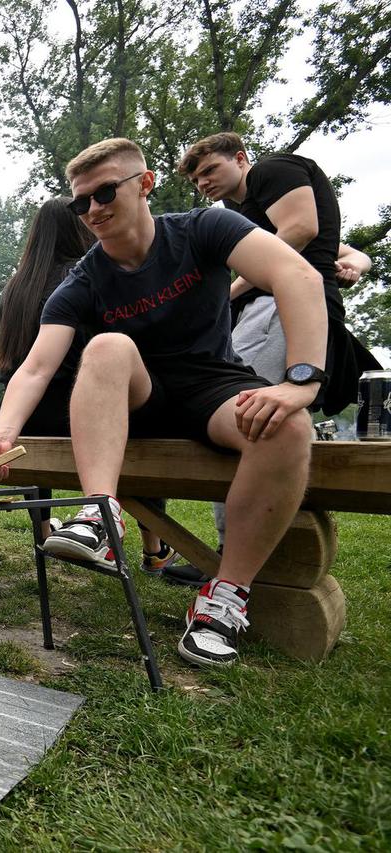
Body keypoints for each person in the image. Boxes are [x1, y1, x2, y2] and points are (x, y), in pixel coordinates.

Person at [0, 137, 327, 668]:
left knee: (290, 428)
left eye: (105, 192)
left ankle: (224, 598)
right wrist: (3, 433)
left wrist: (302, 380)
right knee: (108, 347)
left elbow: (295, 274)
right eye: (81, 202)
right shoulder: (83, 277)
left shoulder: (204, 228)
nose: (93, 209)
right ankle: (101, 516)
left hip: (213, 386)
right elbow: (37, 365)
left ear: (144, 183)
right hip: (139, 397)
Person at [177, 132, 383, 581]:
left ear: (241, 158)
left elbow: (304, 229)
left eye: (210, 170)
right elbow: (348, 251)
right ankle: (263, 545)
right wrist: (354, 267)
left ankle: (232, 551)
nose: (203, 183)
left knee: (238, 410)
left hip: (277, 309)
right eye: (196, 179)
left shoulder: (274, 170)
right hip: (288, 309)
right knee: (266, 420)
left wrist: (231, 289)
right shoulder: (238, 210)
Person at [0, 198, 189, 573]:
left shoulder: (16, 287)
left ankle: (45, 527)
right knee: (138, 425)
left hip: (28, 418)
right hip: (78, 412)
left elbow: (22, 365)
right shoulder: (85, 276)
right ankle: (155, 549)